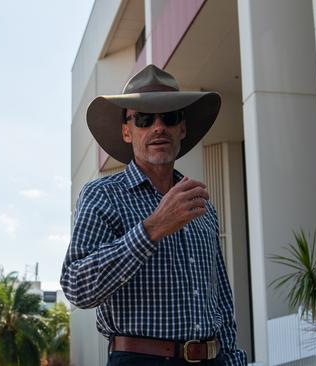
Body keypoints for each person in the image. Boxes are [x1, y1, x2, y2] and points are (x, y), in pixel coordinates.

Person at [60, 64, 247, 365]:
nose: (158, 127)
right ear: (127, 130)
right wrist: (153, 228)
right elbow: (77, 286)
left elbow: (221, 299)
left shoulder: (201, 205)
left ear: (182, 128)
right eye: (145, 119)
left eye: (170, 117)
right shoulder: (103, 195)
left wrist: (235, 359)